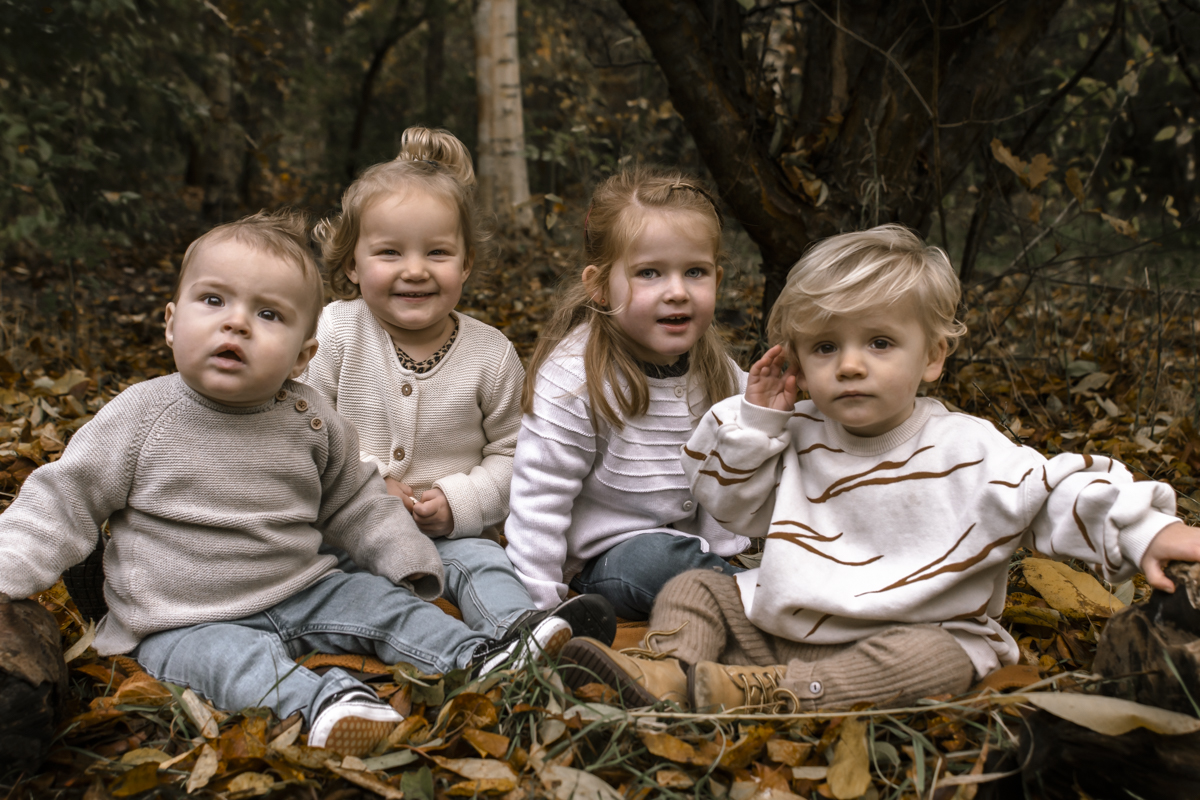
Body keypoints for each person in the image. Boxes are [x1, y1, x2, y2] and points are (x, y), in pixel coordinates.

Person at [557, 224, 1200, 711]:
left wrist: (1144, 530)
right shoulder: (798, 436)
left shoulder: (966, 448)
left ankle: (762, 694)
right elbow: (729, 503)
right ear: (800, 360)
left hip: (904, 638)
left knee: (938, 660)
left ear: (934, 357)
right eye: (826, 347)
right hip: (785, 629)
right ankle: (668, 673)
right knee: (697, 591)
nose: (851, 365)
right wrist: (756, 424)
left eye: (880, 343)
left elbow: (1055, 491)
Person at [0, 211, 574, 757]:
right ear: (172, 323)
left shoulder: (310, 416)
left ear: (303, 356)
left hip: (303, 586)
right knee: (235, 662)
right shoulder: (142, 415)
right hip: (184, 616)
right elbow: (63, 498)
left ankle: (478, 657)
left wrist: (406, 556)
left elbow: (355, 500)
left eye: (268, 314)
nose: (236, 322)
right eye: (213, 300)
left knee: (385, 606)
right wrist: (9, 567)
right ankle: (326, 708)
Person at [305, 127, 614, 645]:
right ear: (352, 264)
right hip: (346, 532)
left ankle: (524, 639)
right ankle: (425, 641)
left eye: (438, 253)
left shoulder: (489, 353)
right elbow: (304, 432)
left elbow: (519, 455)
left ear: (466, 262)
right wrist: (368, 483)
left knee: (488, 568)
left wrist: (459, 502)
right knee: (341, 586)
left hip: (450, 536)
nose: (415, 270)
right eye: (389, 253)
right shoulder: (336, 332)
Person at [505, 167, 750, 625]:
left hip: (695, 555)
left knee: (679, 562)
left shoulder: (714, 366)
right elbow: (539, 499)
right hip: (605, 567)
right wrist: (540, 611)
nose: (677, 292)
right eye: (649, 273)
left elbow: (762, 436)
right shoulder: (576, 378)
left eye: (695, 272)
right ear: (600, 285)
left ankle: (757, 591)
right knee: (654, 560)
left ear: (716, 278)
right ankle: (761, 605)